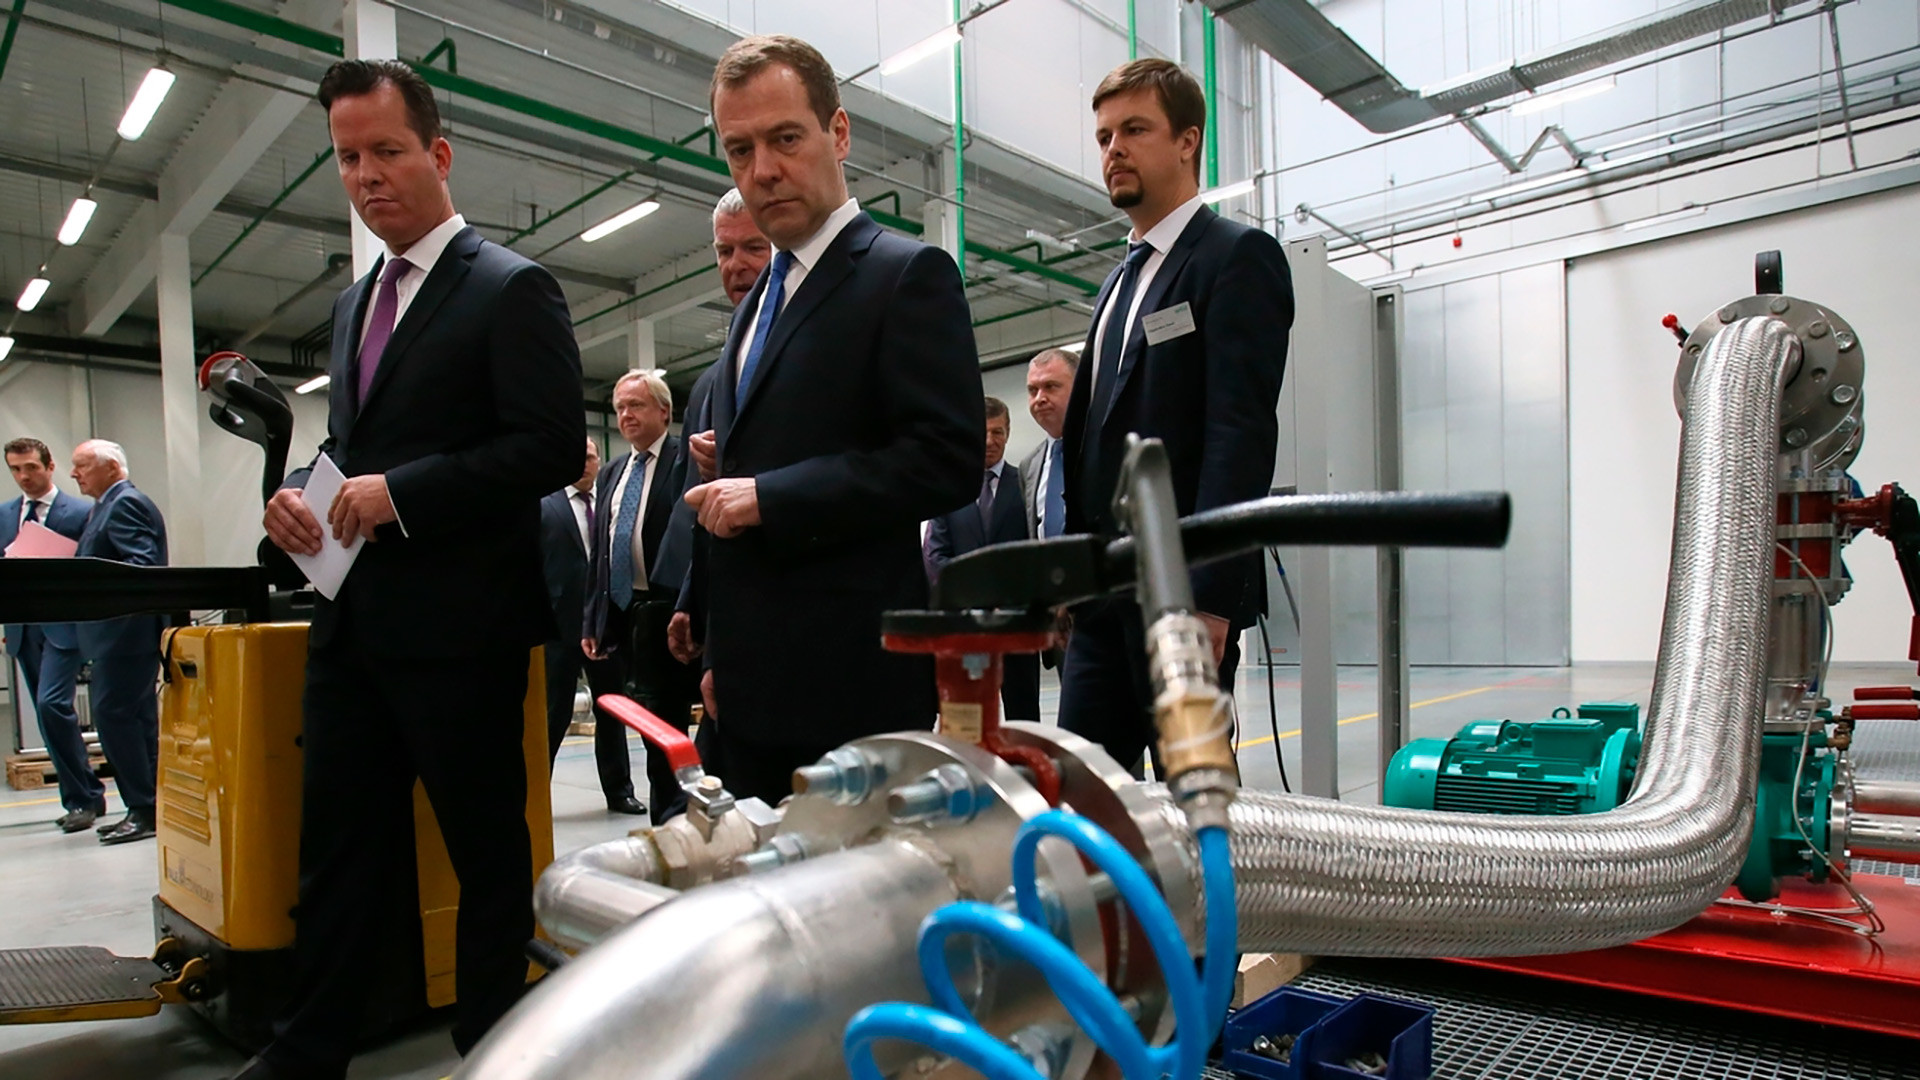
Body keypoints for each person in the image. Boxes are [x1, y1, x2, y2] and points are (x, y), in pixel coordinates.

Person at [244, 58, 584, 1080]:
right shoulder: (356, 308)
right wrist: (303, 500)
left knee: (486, 858)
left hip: (462, 632)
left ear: (437, 153)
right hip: (355, 628)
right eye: (348, 158)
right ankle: (306, 1052)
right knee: (339, 852)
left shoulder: (510, 288)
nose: (366, 175)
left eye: (386, 151)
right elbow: (360, 447)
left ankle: (492, 1046)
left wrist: (405, 492)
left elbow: (550, 447)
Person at [682, 34, 982, 804]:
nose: (763, 170)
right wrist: (720, 653)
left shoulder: (903, 275)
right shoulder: (754, 305)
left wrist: (772, 496)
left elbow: (945, 458)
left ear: (838, 133)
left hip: (850, 690)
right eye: (739, 149)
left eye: (785, 139)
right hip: (747, 693)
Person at [1057, 58, 1293, 774]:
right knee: (1084, 797)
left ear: (1187, 141)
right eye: (1102, 137)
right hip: (1103, 602)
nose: (1113, 151)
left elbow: (1238, 435)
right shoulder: (1117, 281)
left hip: (1182, 604)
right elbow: (1090, 438)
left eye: (1134, 130)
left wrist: (1212, 601)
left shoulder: (1233, 259)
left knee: (1194, 804)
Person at [582, 372, 691, 823]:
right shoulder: (612, 472)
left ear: (664, 411)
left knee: (669, 724)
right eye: (620, 407)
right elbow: (602, 553)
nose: (626, 415)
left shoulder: (684, 460)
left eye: (636, 405)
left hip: (668, 613)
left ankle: (674, 815)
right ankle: (665, 813)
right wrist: (595, 619)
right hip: (625, 616)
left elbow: (692, 541)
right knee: (642, 723)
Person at [540, 438, 647, 813]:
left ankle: (619, 791)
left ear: (599, 461)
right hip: (558, 630)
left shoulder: (610, 504)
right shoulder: (544, 506)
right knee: (554, 715)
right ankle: (537, 796)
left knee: (612, 711)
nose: (585, 464)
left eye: (590, 457)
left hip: (604, 628)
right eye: (578, 457)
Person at [67, 439, 166, 845]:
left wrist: (87, 578)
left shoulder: (124, 503)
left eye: (83, 466)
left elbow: (141, 566)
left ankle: (143, 807)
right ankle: (149, 807)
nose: (75, 474)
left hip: (124, 634)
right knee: (138, 721)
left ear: (111, 467)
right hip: (121, 635)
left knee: (113, 717)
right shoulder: (105, 506)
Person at [2, 437, 99, 832]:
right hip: (25, 628)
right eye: (15, 469)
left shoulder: (81, 511)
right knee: (48, 718)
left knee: (51, 705)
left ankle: (85, 796)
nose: (24, 476)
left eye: (31, 468)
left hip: (65, 626)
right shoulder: (6, 515)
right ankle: (80, 798)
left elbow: (93, 564)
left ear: (50, 466)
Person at [924, 398, 1041, 720]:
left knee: (1024, 717)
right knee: (966, 717)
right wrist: (971, 598)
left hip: (1015, 622)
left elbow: (1034, 550)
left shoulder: (1026, 484)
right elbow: (935, 555)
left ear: (1008, 432)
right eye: (983, 432)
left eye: (998, 432)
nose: (990, 441)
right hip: (967, 624)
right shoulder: (951, 490)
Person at [1019, 348, 1078, 674]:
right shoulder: (1030, 467)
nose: (1039, 398)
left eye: (1051, 387)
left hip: (1107, 612)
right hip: (1058, 623)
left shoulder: (1100, 449)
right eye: (1032, 390)